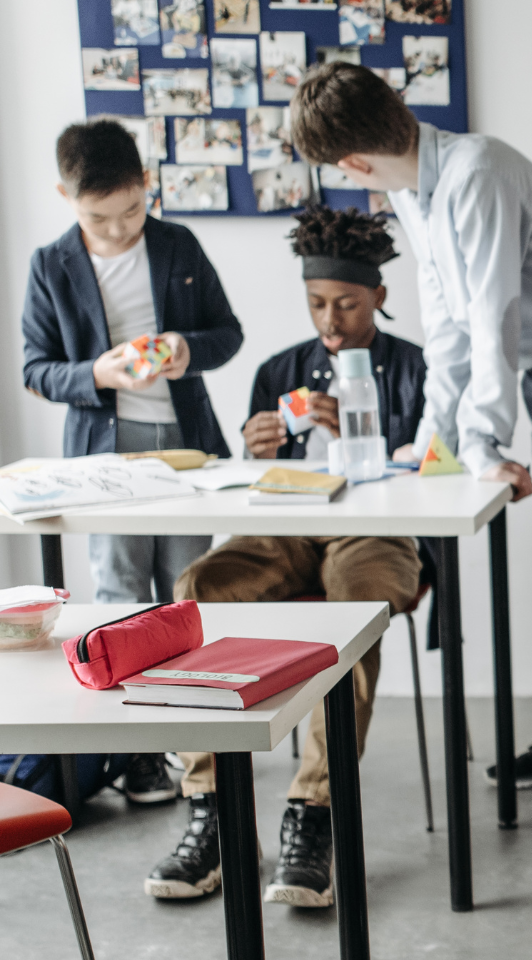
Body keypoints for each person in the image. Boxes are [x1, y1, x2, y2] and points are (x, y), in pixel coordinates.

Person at [288, 62, 532, 866]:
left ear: (351, 163)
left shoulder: (478, 172)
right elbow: (448, 327)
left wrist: (481, 443)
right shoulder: (415, 190)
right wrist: (434, 440)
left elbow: (493, 313)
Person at [145, 206, 427, 907]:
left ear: (378, 296)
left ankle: (315, 812)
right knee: (199, 587)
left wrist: (367, 435)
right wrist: (256, 449)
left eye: (347, 304)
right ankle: (212, 808)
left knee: (354, 611)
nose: (330, 320)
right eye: (316, 302)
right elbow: (247, 486)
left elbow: (436, 468)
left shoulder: (418, 368)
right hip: (287, 525)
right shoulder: (279, 369)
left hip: (379, 530)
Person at [21, 118, 244, 809]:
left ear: (147, 184)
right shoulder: (51, 264)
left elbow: (228, 333)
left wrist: (185, 348)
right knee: (120, 597)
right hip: (103, 456)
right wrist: (97, 373)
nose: (118, 229)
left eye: (131, 210)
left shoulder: (178, 244)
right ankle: (139, 753)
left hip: (184, 450)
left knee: (184, 594)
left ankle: (194, 745)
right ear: (64, 196)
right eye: (99, 217)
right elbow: (35, 368)